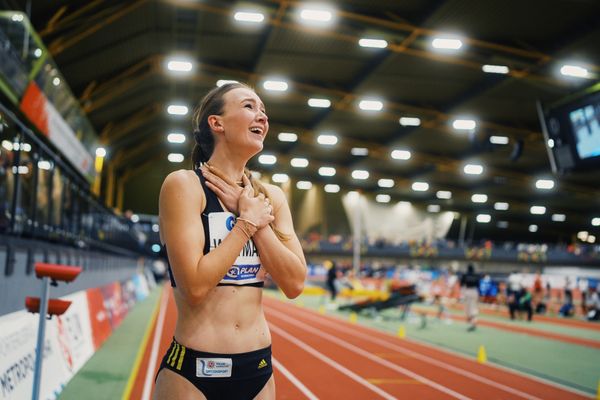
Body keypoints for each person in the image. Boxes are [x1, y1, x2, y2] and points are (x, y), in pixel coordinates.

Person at [154, 82, 307, 400]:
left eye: (264, 110)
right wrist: (245, 224)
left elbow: (294, 283)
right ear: (217, 123)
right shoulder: (184, 186)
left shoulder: (271, 198)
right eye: (250, 106)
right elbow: (194, 288)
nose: (262, 116)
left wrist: (257, 222)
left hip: (258, 371)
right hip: (194, 374)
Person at [460, 264, 481, 331]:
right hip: (475, 291)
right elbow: (478, 285)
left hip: (467, 291)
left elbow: (461, 284)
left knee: (468, 308)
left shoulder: (465, 275)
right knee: (474, 307)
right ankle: (474, 321)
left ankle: (471, 322)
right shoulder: (476, 275)